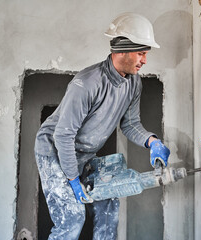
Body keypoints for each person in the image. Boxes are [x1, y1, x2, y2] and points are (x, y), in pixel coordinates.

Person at [34, 12, 170, 240]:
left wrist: (152, 141)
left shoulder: (133, 82)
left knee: (109, 206)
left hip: (84, 153)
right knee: (72, 218)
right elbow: (63, 136)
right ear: (124, 50)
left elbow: (131, 124)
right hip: (54, 150)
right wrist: (73, 180)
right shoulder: (86, 83)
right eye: (141, 53)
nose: (145, 60)